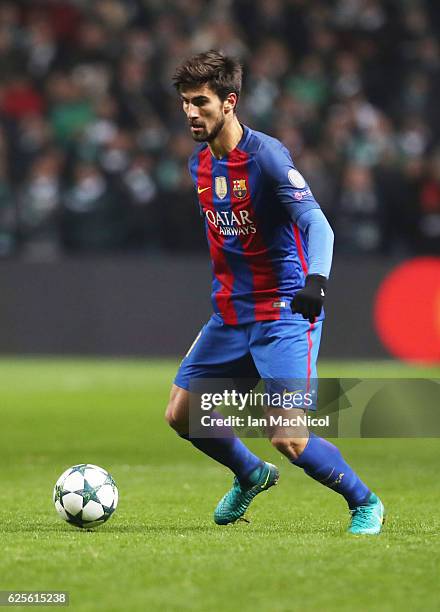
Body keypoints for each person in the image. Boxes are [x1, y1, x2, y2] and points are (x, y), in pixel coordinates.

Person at [165, 50, 384, 535]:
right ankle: (250, 473)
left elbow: (317, 224)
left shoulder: (266, 157)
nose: (190, 113)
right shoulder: (198, 166)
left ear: (230, 102)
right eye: (184, 103)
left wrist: (316, 282)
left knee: (288, 435)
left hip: (284, 311)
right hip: (229, 315)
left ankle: (365, 501)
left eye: (200, 101)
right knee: (182, 414)